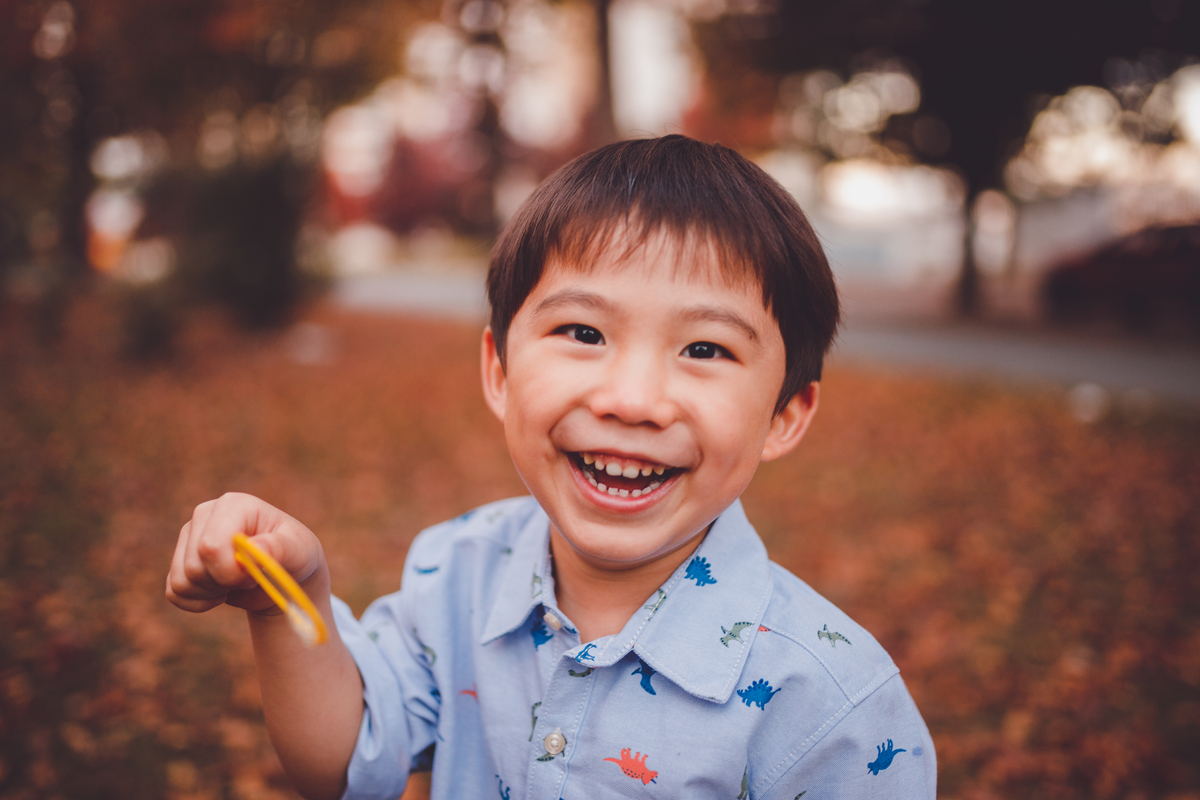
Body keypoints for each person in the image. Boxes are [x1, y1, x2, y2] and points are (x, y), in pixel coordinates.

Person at [166, 135, 936, 800]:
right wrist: (287, 604)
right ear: (499, 369)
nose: (633, 399)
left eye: (705, 349)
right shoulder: (455, 575)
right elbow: (345, 763)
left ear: (785, 415)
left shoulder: (830, 705)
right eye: (582, 331)